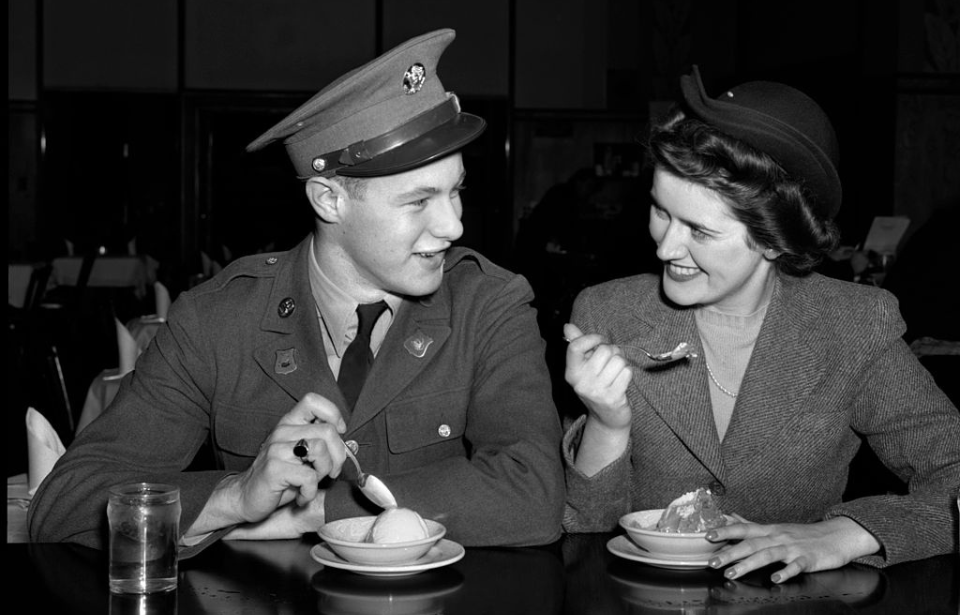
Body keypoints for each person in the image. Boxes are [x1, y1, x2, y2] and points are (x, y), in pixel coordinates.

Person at [28, 29, 565, 555]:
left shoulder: (487, 303)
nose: (453, 226)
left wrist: (308, 513)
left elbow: (535, 495)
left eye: (457, 191)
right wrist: (233, 499)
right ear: (329, 200)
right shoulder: (219, 320)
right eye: (419, 201)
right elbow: (65, 507)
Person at [561, 65, 960, 583]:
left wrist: (847, 533)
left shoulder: (852, 326)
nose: (665, 247)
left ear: (775, 239)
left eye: (699, 230)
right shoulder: (606, 314)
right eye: (661, 211)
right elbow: (586, 537)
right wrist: (606, 425)